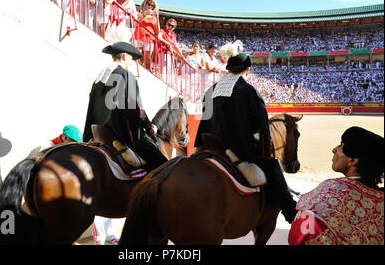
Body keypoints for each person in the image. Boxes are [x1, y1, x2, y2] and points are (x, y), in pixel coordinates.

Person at [194, 42, 298, 224]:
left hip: (208, 145)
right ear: (247, 70)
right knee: (272, 167)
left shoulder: (210, 91)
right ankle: (290, 212)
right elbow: (262, 127)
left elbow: (205, 119)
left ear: (228, 69)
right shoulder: (249, 91)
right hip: (236, 149)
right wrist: (266, 153)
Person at [288, 127, 384, 245]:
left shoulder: (330, 191)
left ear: (353, 160)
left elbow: (298, 238)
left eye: (341, 146)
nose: (334, 149)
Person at [83, 41, 168, 172]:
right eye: (131, 60)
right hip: (119, 134)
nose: (131, 63)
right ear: (125, 56)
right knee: (163, 165)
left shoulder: (99, 78)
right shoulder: (126, 75)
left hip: (98, 134)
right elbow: (135, 107)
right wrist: (149, 126)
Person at [133, 0, 161, 71]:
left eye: (152, 6)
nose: (150, 7)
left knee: (148, 59)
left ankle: (147, 72)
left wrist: (157, 17)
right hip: (138, 36)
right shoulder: (140, 12)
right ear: (145, 4)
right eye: (149, 4)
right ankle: (135, 71)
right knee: (136, 56)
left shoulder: (154, 17)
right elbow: (136, 23)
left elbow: (157, 30)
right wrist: (144, 15)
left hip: (149, 38)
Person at [158, 18, 182, 85]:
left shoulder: (173, 34)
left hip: (170, 53)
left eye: (173, 26)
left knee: (170, 69)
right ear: (166, 24)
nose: (170, 27)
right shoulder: (162, 31)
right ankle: (162, 82)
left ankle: (169, 83)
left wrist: (181, 56)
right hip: (163, 52)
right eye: (169, 25)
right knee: (163, 69)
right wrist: (168, 44)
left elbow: (175, 45)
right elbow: (159, 37)